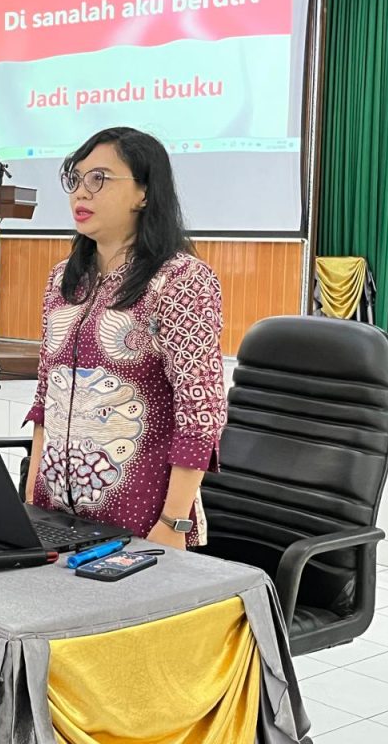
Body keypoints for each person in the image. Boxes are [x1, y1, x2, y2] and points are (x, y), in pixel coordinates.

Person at [24, 127, 227, 550]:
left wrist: (173, 523)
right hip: (52, 515)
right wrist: (29, 500)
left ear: (144, 193)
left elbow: (200, 414)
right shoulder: (62, 279)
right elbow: (46, 398)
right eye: (75, 179)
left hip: (142, 522)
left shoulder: (180, 279)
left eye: (99, 178)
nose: (81, 192)